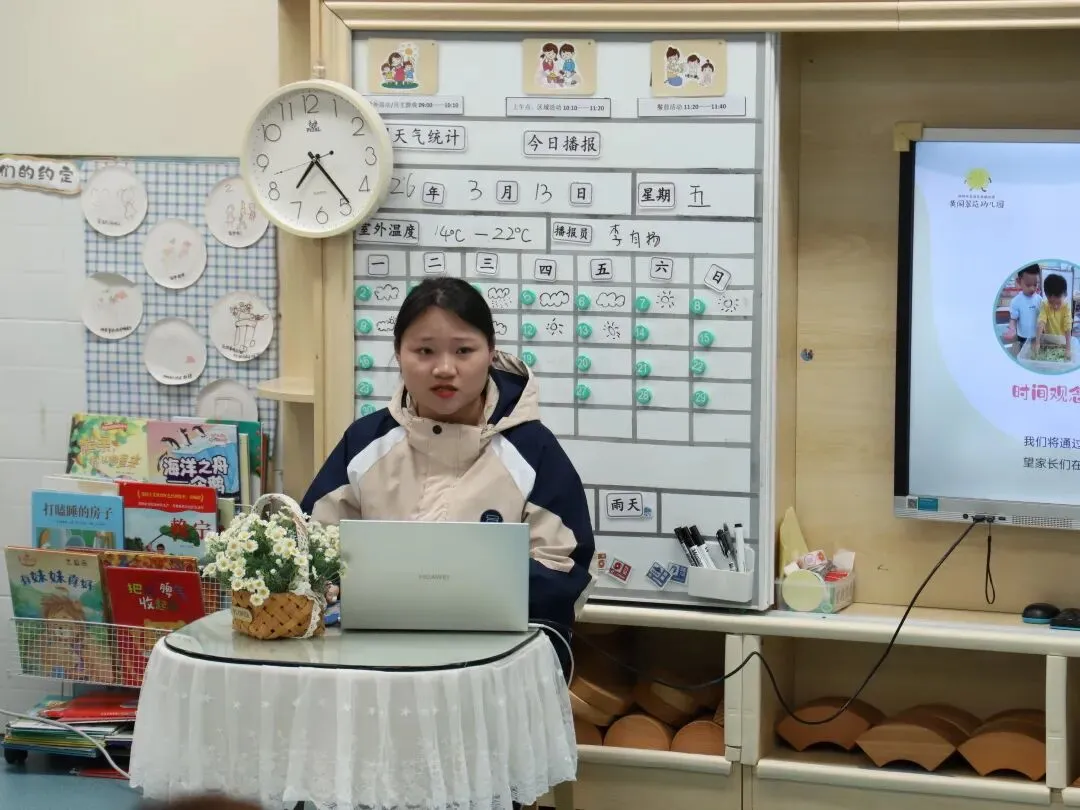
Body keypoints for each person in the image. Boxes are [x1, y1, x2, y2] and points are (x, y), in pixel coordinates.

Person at [300, 278, 596, 664]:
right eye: (424, 350)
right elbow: (311, 546)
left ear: (490, 352)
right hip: (374, 662)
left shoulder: (532, 449)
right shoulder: (365, 443)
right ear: (398, 353)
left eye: (463, 350)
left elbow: (565, 568)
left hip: (496, 665)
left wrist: (469, 587)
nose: (444, 369)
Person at [1034, 272, 1072, 361]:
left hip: (1062, 341)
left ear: (1065, 295)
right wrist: (1037, 343)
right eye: (1051, 302)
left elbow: (1068, 327)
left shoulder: (1066, 307)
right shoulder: (1045, 305)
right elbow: (1041, 322)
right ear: (1046, 296)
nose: (1055, 306)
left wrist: (1068, 348)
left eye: (1058, 302)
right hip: (1049, 341)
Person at [1006, 264, 1042, 356]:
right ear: (1019, 281)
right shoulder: (1016, 301)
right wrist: (1012, 328)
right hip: (1022, 337)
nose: (1032, 288)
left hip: (1037, 336)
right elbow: (1013, 319)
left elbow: (1043, 317)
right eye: (1028, 285)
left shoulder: (1039, 299)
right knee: (1024, 355)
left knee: (1036, 355)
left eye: (1035, 284)